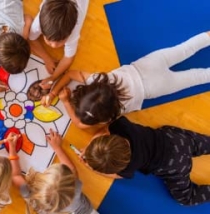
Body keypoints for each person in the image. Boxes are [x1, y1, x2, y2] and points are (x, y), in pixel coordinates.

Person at [41, 31, 210, 129]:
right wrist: (54, 92)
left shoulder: (112, 113)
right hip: (149, 64)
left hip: (156, 87)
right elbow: (71, 74)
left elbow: (80, 125)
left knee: (198, 77)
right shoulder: (100, 79)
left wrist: (64, 101)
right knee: (186, 48)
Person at [82, 116, 210, 206]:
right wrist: (91, 149)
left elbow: (116, 176)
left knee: (186, 199)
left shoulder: (130, 165)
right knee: (199, 143)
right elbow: (104, 129)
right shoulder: (121, 126)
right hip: (176, 139)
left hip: (175, 166)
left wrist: (91, 168)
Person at [11, 129, 97, 214]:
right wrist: (57, 148)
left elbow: (16, 176)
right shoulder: (75, 188)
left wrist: (12, 148)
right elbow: (72, 170)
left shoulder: (33, 198)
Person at [30, 0, 89, 86]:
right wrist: (46, 58)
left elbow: (69, 58)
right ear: (42, 29)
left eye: (61, 40)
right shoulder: (39, 22)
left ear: (69, 33)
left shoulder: (73, 31)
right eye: (48, 39)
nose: (54, 46)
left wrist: (53, 77)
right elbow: (31, 39)